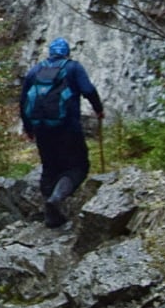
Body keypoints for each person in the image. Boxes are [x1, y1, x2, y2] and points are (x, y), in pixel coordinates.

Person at [18, 37, 104, 228]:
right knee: (78, 166)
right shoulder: (73, 68)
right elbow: (88, 90)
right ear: (66, 53)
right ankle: (56, 199)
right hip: (68, 128)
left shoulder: (36, 70)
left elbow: (23, 101)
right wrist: (98, 109)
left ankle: (51, 215)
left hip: (41, 128)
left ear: (50, 53)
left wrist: (28, 127)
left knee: (49, 167)